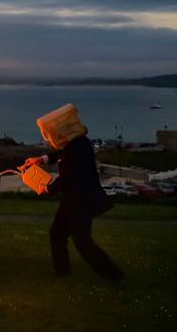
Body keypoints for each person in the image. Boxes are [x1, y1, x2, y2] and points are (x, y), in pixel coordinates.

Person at [23, 113, 124, 282]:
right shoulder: (77, 143)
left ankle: (114, 275)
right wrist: (41, 159)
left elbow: (69, 175)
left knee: (82, 241)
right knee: (57, 233)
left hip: (81, 201)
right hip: (73, 200)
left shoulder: (77, 147)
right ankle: (62, 272)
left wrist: (48, 189)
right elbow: (61, 154)